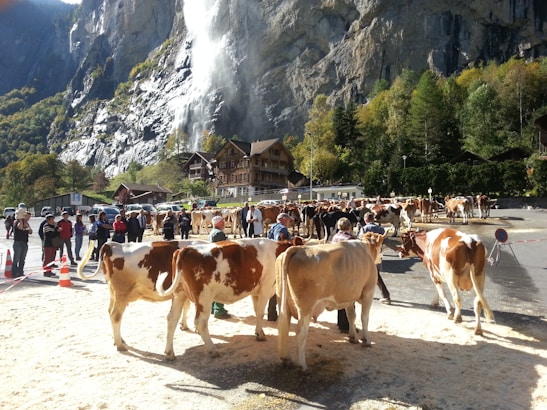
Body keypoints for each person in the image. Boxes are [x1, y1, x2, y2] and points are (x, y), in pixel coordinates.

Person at [330, 217, 358, 333]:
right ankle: (346, 326)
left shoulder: (335, 237)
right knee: (350, 300)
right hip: (347, 271)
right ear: (349, 227)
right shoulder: (351, 239)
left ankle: (340, 323)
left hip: (335, 271)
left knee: (340, 298)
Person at [266, 212, 294, 321]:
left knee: (273, 286)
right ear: (283, 219)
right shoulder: (282, 228)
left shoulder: (272, 227)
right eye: (288, 220)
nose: (289, 223)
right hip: (280, 260)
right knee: (280, 286)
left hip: (271, 259)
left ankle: (271, 313)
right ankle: (279, 313)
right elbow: (279, 241)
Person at [359, 212, 391, 305]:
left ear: (365, 220)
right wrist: (397, 248)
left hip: (365, 256)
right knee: (375, 275)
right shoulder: (380, 229)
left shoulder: (364, 229)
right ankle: (384, 295)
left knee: (372, 276)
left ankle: (385, 295)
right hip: (377, 255)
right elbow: (387, 241)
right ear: (373, 219)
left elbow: (359, 241)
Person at [209, 215, 230, 319]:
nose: (224, 223)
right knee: (220, 287)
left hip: (213, 262)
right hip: (219, 262)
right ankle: (219, 310)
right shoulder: (219, 234)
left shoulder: (213, 232)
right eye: (223, 222)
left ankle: (213, 308)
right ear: (219, 223)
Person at [12, 209, 32, 278]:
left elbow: (30, 232)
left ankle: (20, 272)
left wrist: (26, 225)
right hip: (18, 243)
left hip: (24, 242)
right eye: (27, 216)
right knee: (16, 259)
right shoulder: (16, 222)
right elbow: (20, 228)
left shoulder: (26, 223)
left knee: (22, 259)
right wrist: (20, 220)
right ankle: (14, 273)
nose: (28, 218)